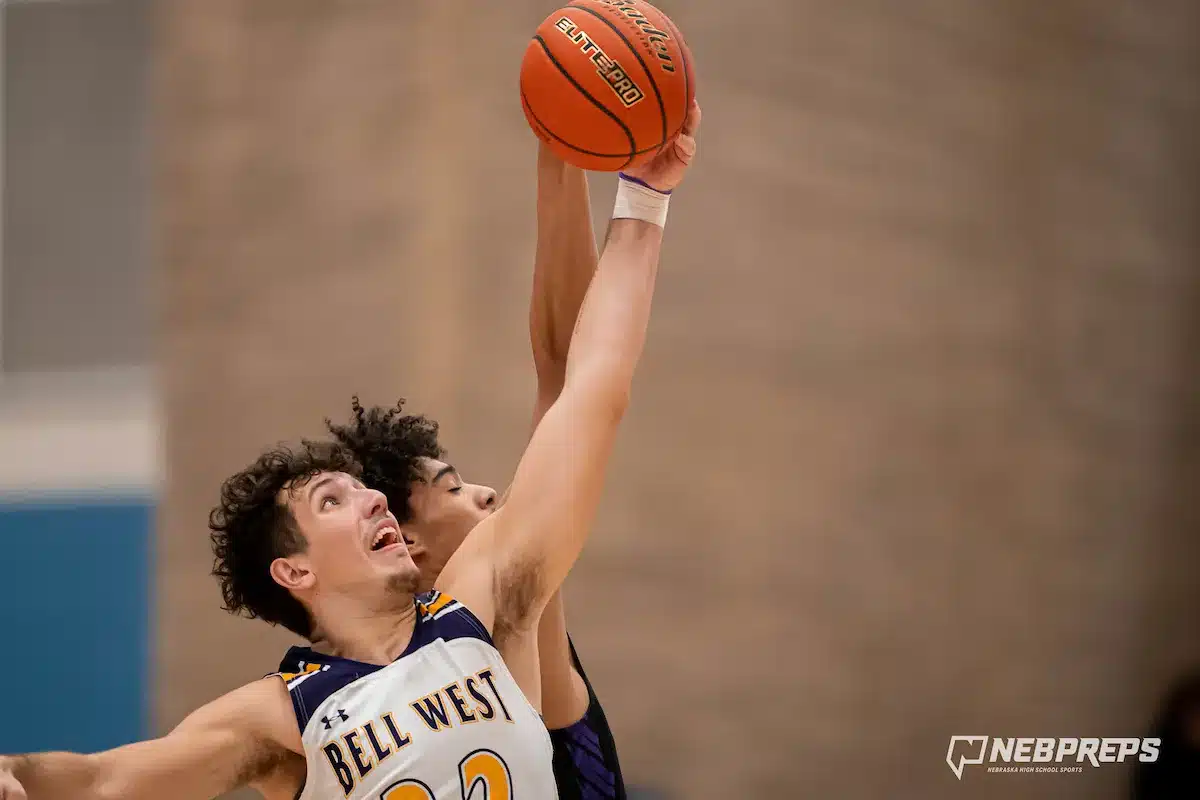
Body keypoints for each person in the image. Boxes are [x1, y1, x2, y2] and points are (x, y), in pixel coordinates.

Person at [0, 102, 699, 800]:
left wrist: (645, 197)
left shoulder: (484, 603)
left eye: (361, 490)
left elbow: (588, 389)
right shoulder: (279, 716)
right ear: (293, 569)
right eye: (332, 500)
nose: (369, 496)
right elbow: (100, 779)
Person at [261, 140, 634, 800]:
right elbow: (566, 367)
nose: (488, 493)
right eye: (455, 489)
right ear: (409, 546)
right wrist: (564, 154)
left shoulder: (341, 704)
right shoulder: (505, 620)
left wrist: (561, 151)